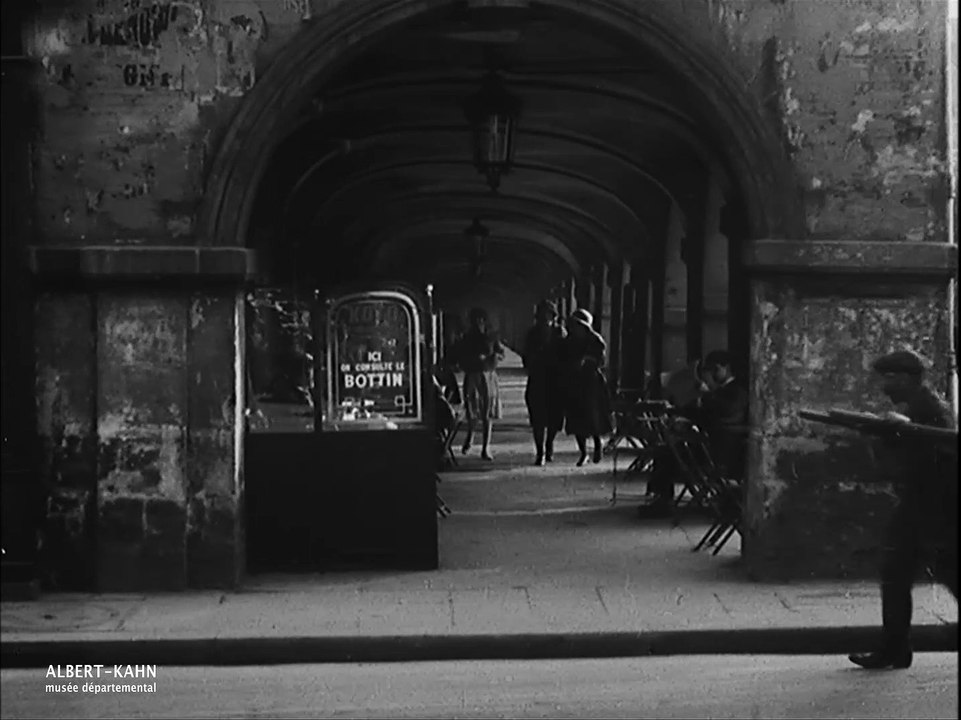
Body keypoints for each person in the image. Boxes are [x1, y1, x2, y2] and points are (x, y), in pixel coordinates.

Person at [849, 349, 958, 670]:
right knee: (901, 574)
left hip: (936, 506)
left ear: (906, 379)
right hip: (925, 505)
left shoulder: (931, 409)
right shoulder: (919, 406)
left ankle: (894, 650)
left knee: (907, 573)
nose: (883, 385)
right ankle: (894, 649)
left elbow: (937, 455)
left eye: (889, 378)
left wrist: (901, 430)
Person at [561, 308, 614, 466]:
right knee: (576, 418)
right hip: (574, 382)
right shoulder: (569, 341)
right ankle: (583, 452)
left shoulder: (595, 340)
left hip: (591, 382)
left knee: (593, 416)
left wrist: (587, 361)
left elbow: (601, 359)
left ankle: (598, 445)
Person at [452, 307, 504, 460]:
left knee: (487, 412)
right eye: (475, 320)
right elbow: (458, 357)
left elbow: (500, 353)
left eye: (480, 319)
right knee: (472, 410)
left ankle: (485, 447)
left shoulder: (491, 337)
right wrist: (471, 360)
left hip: (487, 375)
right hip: (473, 374)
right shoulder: (466, 338)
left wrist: (493, 357)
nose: (478, 323)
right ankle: (470, 437)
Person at [522, 300, 567, 466]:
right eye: (542, 316)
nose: (544, 319)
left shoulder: (560, 333)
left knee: (555, 418)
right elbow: (526, 355)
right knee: (538, 418)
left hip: (555, 381)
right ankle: (540, 451)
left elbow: (566, 354)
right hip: (538, 380)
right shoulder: (533, 334)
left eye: (548, 315)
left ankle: (549, 444)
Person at [697, 350, 749, 480]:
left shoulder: (738, 389)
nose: (712, 374)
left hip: (727, 444)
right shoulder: (720, 391)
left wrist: (709, 395)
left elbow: (728, 410)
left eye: (715, 369)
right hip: (715, 439)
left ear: (726, 368)